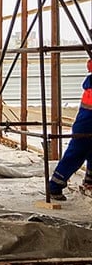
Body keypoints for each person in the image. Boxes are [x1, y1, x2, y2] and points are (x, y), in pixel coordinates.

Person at [48, 59, 92, 200]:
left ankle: (89, 183)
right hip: (86, 125)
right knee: (75, 155)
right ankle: (54, 186)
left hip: (85, 123)